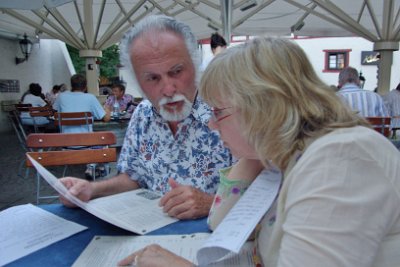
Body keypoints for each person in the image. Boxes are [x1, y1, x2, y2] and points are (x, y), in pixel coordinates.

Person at [119, 37, 400, 267]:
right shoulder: (283, 155)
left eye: (218, 112)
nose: (212, 124)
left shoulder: (341, 159)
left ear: (262, 107)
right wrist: (254, 148)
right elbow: (221, 224)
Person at [59, 15, 232, 220]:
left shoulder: (226, 109)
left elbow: (266, 191)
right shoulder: (142, 114)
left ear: (195, 64)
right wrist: (91, 189)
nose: (168, 89)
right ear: (138, 82)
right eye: (152, 78)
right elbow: (133, 178)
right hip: (149, 230)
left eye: (176, 71)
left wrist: (211, 203)